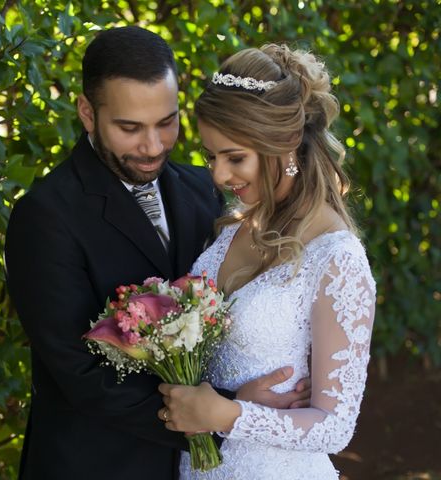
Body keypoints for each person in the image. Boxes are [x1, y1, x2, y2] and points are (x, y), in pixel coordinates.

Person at [5, 28, 310, 480]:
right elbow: (84, 374)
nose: (152, 146)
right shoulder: (45, 216)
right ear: (88, 113)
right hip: (99, 466)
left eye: (166, 122)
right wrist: (222, 412)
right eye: (130, 128)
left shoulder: (204, 191)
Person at [157, 44, 377, 479]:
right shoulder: (233, 227)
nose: (218, 176)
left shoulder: (338, 259)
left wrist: (227, 415)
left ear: (283, 145)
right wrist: (231, 399)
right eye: (211, 157)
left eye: (235, 157)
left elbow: (334, 427)